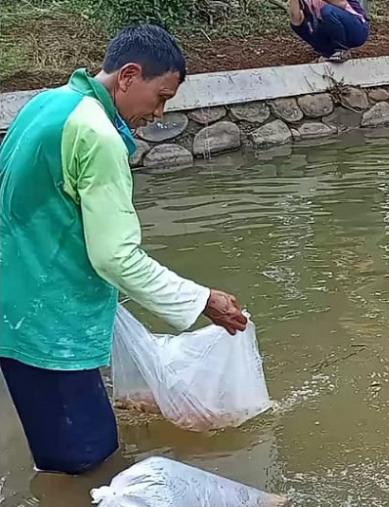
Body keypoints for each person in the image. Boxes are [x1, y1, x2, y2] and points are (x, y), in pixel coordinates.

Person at [0, 25, 248, 475]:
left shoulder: (48, 104)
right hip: (50, 326)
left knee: (60, 455)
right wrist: (202, 300)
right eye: (160, 96)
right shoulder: (97, 135)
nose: (159, 112)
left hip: (15, 310)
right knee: (92, 464)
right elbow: (115, 255)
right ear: (129, 75)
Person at [287, 0, 370, 63]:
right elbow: (295, 18)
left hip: (357, 29)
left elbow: (341, 3)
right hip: (331, 31)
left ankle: (341, 50)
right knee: (297, 24)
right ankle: (329, 52)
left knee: (327, 11)